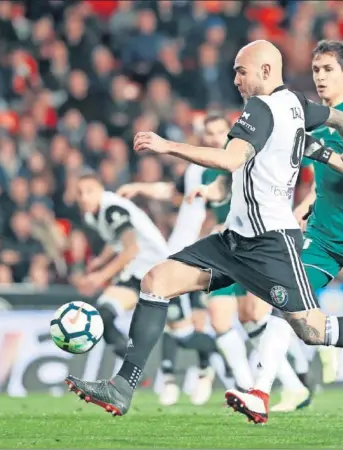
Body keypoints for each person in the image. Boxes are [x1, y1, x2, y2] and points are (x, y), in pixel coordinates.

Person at [65, 39, 343, 423]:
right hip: (232, 241)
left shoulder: (262, 108)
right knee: (156, 280)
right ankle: (122, 386)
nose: (236, 79)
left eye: (241, 70)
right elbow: (334, 118)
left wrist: (167, 146)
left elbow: (230, 159)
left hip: (270, 245)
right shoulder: (297, 105)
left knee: (311, 330)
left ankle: (270, 389)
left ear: (265, 70)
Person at [117, 114, 254, 404]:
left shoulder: (239, 164)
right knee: (178, 321)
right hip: (183, 253)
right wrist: (140, 188)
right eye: (210, 133)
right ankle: (197, 374)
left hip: (217, 253)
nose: (215, 138)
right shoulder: (195, 168)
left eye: (220, 132)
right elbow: (173, 191)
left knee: (227, 320)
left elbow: (223, 202)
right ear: (203, 138)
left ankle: (213, 373)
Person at [248, 39, 343, 414]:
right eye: (316, 70)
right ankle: (259, 392)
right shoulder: (316, 121)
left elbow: (330, 163)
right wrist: (303, 208)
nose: (319, 77)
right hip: (325, 237)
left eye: (328, 70)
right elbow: (324, 183)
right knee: (285, 300)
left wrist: (324, 154)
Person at [73, 170, 217, 364]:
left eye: (89, 191)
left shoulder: (112, 209)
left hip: (159, 273)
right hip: (135, 274)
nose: (84, 198)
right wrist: (101, 259)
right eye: (79, 193)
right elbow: (117, 239)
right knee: (103, 315)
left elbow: (131, 248)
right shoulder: (93, 215)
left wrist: (100, 276)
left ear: (101, 190)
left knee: (184, 337)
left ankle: (220, 347)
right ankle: (131, 372)